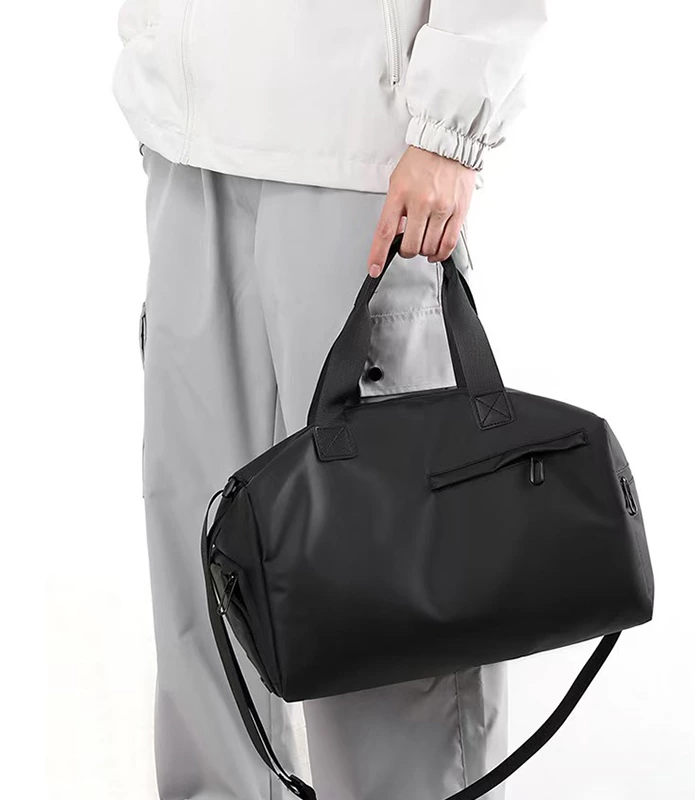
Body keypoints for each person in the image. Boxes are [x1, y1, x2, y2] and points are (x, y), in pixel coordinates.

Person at [114, 2, 547, 799]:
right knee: (202, 564)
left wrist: (448, 129)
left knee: (383, 571)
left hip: (361, 152)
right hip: (187, 138)